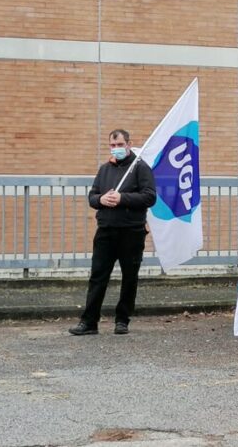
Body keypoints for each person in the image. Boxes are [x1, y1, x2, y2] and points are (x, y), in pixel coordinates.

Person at [69, 129, 156, 336]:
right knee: (98, 276)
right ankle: (89, 322)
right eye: (112, 145)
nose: (116, 149)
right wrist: (100, 200)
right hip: (106, 231)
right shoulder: (104, 169)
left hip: (131, 232)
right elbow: (92, 196)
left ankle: (122, 320)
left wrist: (122, 198)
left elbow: (149, 197)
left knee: (129, 277)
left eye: (119, 145)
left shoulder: (141, 168)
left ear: (128, 144)